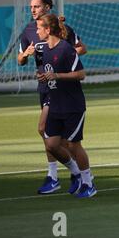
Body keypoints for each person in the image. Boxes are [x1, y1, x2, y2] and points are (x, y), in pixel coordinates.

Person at [17, 0, 87, 194]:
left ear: (47, 7)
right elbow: (20, 59)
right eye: (31, 6)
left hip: (60, 87)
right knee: (52, 136)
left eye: (37, 6)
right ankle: (65, 174)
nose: (33, 10)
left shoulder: (59, 29)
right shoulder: (30, 31)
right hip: (44, 87)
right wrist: (26, 54)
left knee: (44, 129)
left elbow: (81, 49)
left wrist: (63, 56)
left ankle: (60, 174)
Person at [36, 13, 96, 198]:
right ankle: (76, 172)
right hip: (55, 104)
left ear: (48, 29)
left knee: (73, 145)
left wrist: (58, 76)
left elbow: (81, 74)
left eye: (39, 27)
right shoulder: (44, 50)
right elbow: (47, 72)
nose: (36, 31)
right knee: (52, 144)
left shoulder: (66, 49)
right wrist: (43, 77)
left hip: (72, 104)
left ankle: (88, 183)